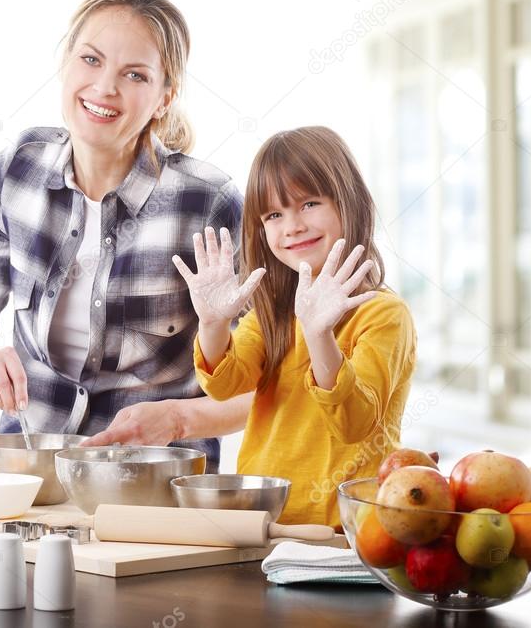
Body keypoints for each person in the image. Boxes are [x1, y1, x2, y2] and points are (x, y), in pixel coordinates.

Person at [0, 0, 258, 470]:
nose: (104, 88)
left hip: (152, 488)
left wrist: (178, 420)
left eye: (135, 75)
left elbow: (269, 385)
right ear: (65, 62)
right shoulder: (17, 171)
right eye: (91, 60)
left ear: (165, 97)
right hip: (28, 479)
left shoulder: (207, 203)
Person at [172, 126, 417, 527]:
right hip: (265, 525)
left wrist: (320, 335)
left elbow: (355, 423)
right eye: (274, 214)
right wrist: (213, 324)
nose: (293, 226)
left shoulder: (384, 314)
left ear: (349, 203)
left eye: (309, 204)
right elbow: (225, 384)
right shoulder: (273, 315)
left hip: (345, 536)